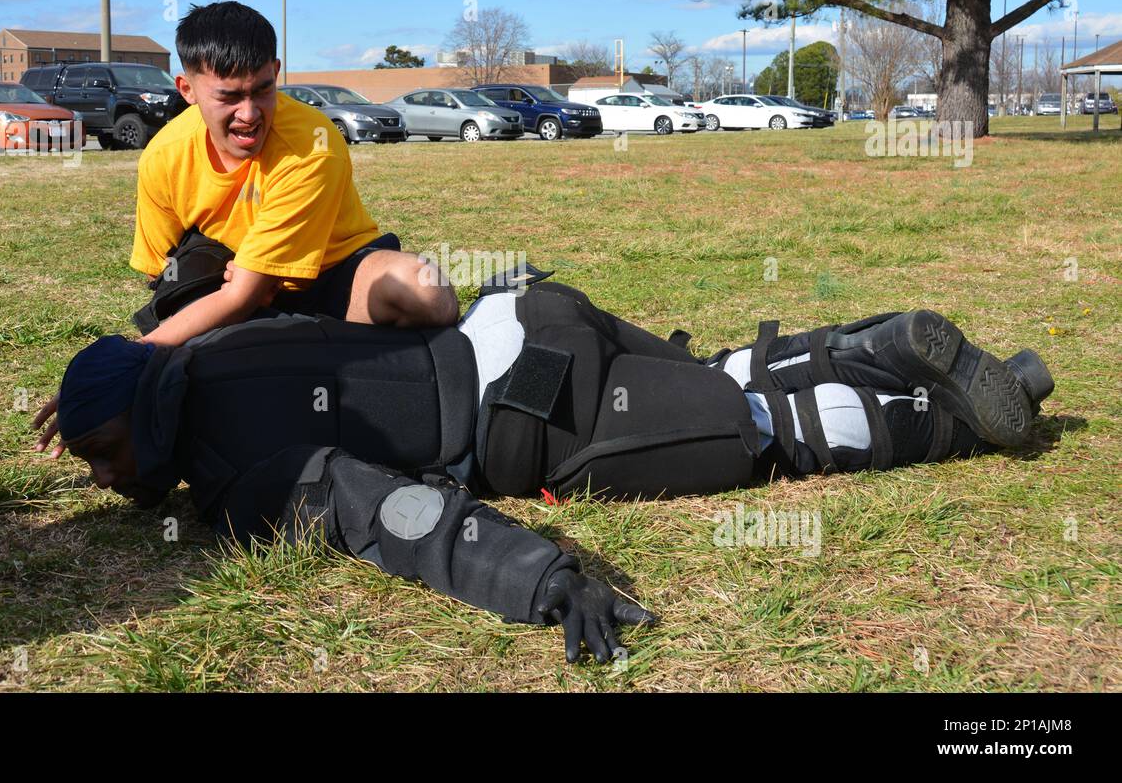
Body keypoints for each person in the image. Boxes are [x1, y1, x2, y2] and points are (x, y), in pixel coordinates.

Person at [51, 266, 1054, 663]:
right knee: (719, 379)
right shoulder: (214, 349)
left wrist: (543, 579)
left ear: (144, 415)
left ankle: (958, 424)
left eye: (102, 454)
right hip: (522, 311)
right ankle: (934, 362)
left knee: (762, 435)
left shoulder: (233, 478)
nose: (102, 477)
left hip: (543, 410)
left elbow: (395, 516)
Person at [32, 0, 458, 456]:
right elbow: (163, 281)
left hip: (331, 272)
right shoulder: (164, 157)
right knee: (199, 343)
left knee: (426, 290)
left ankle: (328, 355)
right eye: (229, 96)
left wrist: (137, 355)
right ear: (187, 88)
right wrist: (114, 377)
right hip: (234, 287)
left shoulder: (313, 142)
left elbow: (247, 292)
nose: (250, 113)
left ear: (277, 70)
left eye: (262, 90)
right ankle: (307, 352)